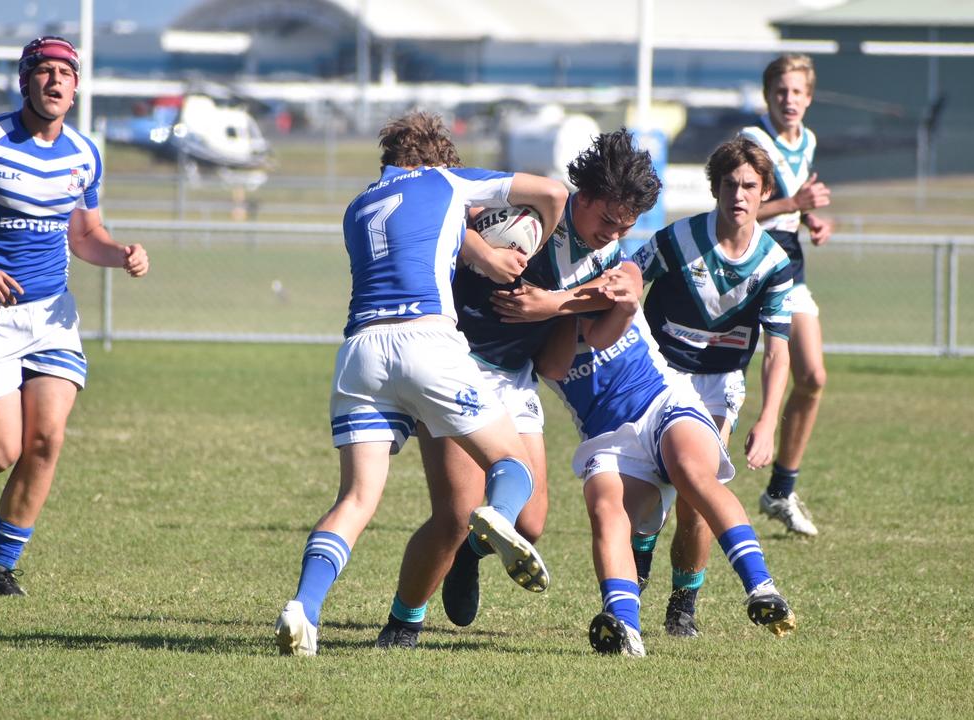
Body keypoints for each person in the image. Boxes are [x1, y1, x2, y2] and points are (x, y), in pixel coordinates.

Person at [274, 111, 569, 656]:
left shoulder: (358, 207)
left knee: (357, 498)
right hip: (427, 341)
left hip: (360, 353)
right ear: (437, 158)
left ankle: (304, 607)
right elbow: (552, 192)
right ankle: (496, 520)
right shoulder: (446, 181)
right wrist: (528, 248)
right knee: (512, 465)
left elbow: (435, 243)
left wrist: (484, 252)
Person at [375, 129, 661, 649]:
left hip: (516, 376)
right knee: (456, 515)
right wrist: (482, 252)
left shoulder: (605, 258)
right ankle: (402, 623)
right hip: (454, 362)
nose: (615, 232)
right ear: (586, 195)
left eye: (628, 225)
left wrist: (561, 305)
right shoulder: (531, 209)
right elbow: (444, 209)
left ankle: (469, 559)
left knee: (529, 523)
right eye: (608, 219)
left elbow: (553, 362)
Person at [0, 36, 149, 596]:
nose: (56, 81)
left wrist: (121, 254)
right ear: (25, 81)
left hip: (52, 317)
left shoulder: (84, 154)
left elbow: (85, 235)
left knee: (47, 440)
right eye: (44, 71)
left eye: (66, 72)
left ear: (76, 86)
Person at [536, 258, 796, 658]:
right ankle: (626, 631)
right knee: (606, 510)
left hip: (663, 403)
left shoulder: (613, 265)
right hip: (608, 439)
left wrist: (552, 302)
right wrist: (557, 308)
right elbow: (553, 364)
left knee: (694, 473)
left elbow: (628, 289)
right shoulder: (529, 321)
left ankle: (761, 588)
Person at [626, 137, 796, 638]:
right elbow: (629, 277)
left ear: (765, 192)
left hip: (718, 385)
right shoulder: (678, 239)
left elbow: (778, 351)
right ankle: (634, 577)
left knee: (696, 492)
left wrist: (768, 422)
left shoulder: (774, 265)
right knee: (644, 492)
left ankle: (683, 602)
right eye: (729, 184)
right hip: (657, 374)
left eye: (749, 185)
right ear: (715, 188)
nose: (738, 195)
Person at [739, 53, 832, 536]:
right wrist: (795, 204)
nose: (789, 100)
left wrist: (810, 218)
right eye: (780, 91)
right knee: (724, 383)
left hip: (789, 264)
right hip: (744, 264)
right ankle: (681, 479)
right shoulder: (753, 141)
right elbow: (742, 211)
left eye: (797, 92)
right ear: (767, 95)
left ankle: (780, 491)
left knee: (813, 375)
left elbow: (794, 202)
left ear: (809, 97)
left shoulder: (808, 141)